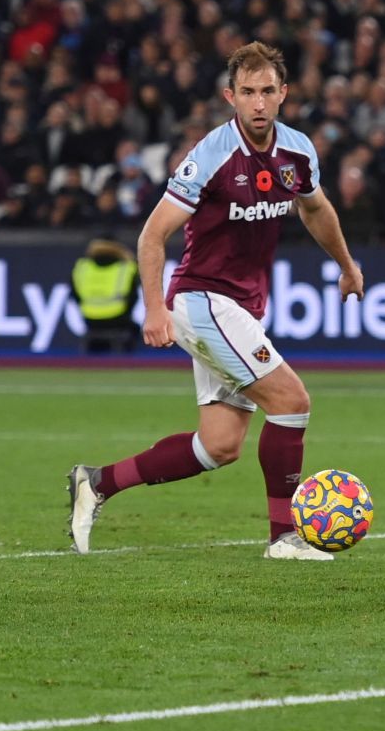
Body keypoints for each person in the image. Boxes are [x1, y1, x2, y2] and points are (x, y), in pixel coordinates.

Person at [67, 42, 364, 560]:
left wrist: (346, 264)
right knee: (292, 403)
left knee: (219, 446)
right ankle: (285, 538)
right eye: (247, 92)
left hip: (241, 308)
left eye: (267, 91)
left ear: (283, 94)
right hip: (202, 301)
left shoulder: (296, 150)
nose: (258, 103)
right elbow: (151, 236)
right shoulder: (210, 156)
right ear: (231, 96)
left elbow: (315, 210)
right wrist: (155, 308)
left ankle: (97, 482)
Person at [72, 235, 138, 353]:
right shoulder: (126, 267)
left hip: (89, 318)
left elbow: (74, 295)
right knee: (136, 330)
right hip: (118, 318)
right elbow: (133, 297)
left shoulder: (82, 266)